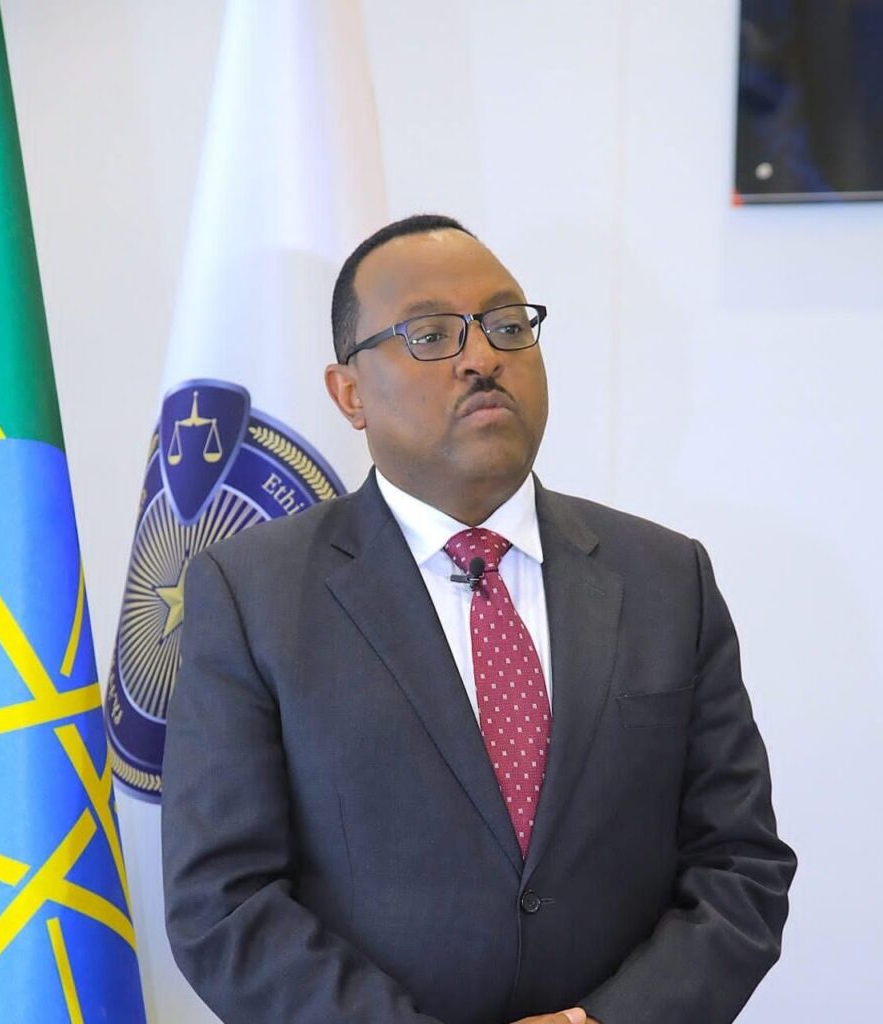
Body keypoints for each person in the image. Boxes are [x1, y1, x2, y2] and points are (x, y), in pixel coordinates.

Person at [162, 214, 796, 1024]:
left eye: (507, 326)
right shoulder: (251, 593)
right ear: (349, 393)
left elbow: (740, 864)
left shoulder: (668, 579)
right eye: (432, 335)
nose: (482, 357)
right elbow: (223, 901)